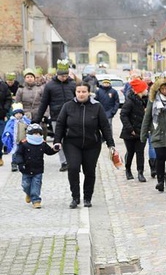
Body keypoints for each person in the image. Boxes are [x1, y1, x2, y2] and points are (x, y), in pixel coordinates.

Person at [54, 81, 117, 209]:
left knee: (89, 171)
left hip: (92, 144)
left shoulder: (97, 107)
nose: (81, 94)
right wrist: (57, 141)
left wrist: (111, 144)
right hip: (72, 143)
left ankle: (87, 197)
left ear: (89, 93)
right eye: (78, 92)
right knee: (73, 168)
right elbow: (60, 124)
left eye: (84, 92)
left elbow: (105, 126)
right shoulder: (68, 106)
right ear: (75, 92)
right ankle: (75, 197)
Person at [140, 77, 166, 193]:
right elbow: (147, 117)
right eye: (162, 88)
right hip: (157, 132)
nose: (164, 90)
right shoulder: (153, 101)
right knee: (160, 158)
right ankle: (160, 181)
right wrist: (143, 135)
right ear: (158, 89)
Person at [35, 60, 76, 172]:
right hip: (56, 116)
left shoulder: (72, 84)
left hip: (71, 116)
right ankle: (64, 162)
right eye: (62, 76)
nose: (64, 78)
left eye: (66, 75)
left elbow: (77, 100)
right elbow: (44, 103)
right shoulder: (50, 86)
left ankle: (72, 160)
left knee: (71, 139)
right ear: (57, 75)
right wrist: (37, 119)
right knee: (59, 140)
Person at [14, 123, 58, 208]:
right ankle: (28, 193)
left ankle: (36, 200)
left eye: (38, 133)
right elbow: (18, 154)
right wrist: (20, 163)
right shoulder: (24, 143)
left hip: (38, 169)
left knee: (36, 185)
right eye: (34, 133)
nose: (36, 135)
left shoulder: (42, 143)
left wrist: (55, 149)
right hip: (26, 168)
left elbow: (49, 151)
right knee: (25, 185)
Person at [119, 78, 149, 182]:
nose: (147, 90)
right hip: (130, 132)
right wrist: (130, 128)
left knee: (140, 152)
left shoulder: (146, 100)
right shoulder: (130, 101)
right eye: (145, 88)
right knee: (130, 152)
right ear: (140, 90)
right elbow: (123, 115)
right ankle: (128, 170)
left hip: (141, 131)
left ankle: (140, 172)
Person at [3, 103, 31, 172]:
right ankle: (14, 164)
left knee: (24, 152)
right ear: (14, 114)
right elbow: (8, 128)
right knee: (15, 153)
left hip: (24, 140)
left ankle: (24, 163)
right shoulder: (11, 121)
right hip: (15, 140)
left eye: (20, 113)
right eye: (17, 113)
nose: (18, 115)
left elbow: (30, 126)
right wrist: (7, 133)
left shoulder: (25, 121)